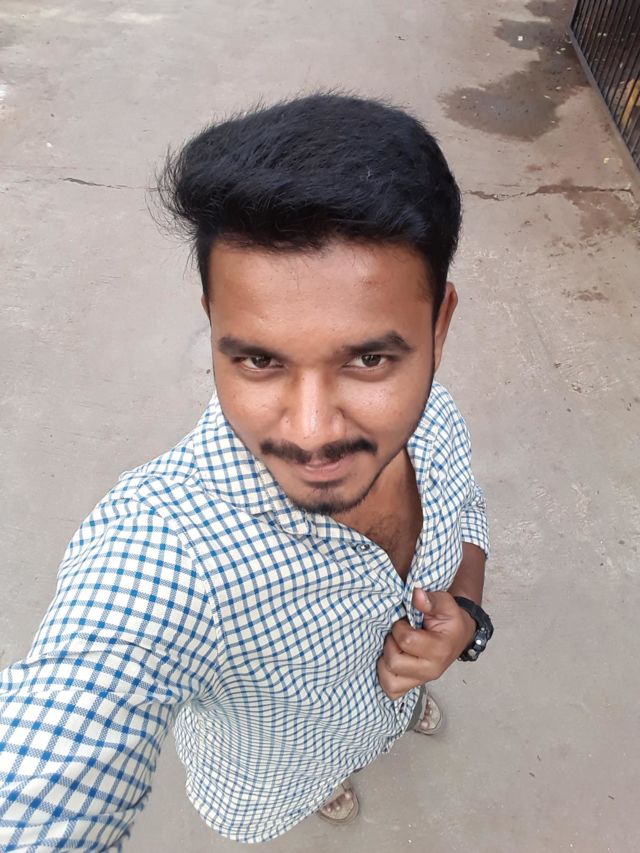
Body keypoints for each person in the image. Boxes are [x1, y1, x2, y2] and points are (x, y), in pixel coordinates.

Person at [0, 93, 493, 848]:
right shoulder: (168, 552)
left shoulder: (436, 417)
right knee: (309, 782)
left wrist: (465, 616)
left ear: (440, 324)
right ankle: (325, 781)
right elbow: (53, 753)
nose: (312, 433)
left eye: (369, 358)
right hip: (272, 782)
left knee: (388, 718)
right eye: (260, 359)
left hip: (388, 707)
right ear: (214, 322)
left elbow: (468, 509)